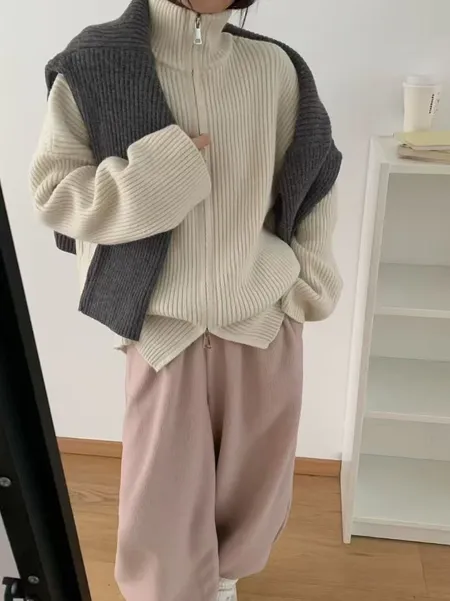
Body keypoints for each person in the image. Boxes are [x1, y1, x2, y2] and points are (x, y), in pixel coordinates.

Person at [30, 0, 342, 600]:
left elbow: (315, 179)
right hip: (163, 328)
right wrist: (159, 176)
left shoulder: (275, 68)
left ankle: (222, 583)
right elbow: (56, 194)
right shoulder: (95, 62)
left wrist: (309, 286)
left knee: (254, 490)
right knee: (160, 502)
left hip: (261, 317)